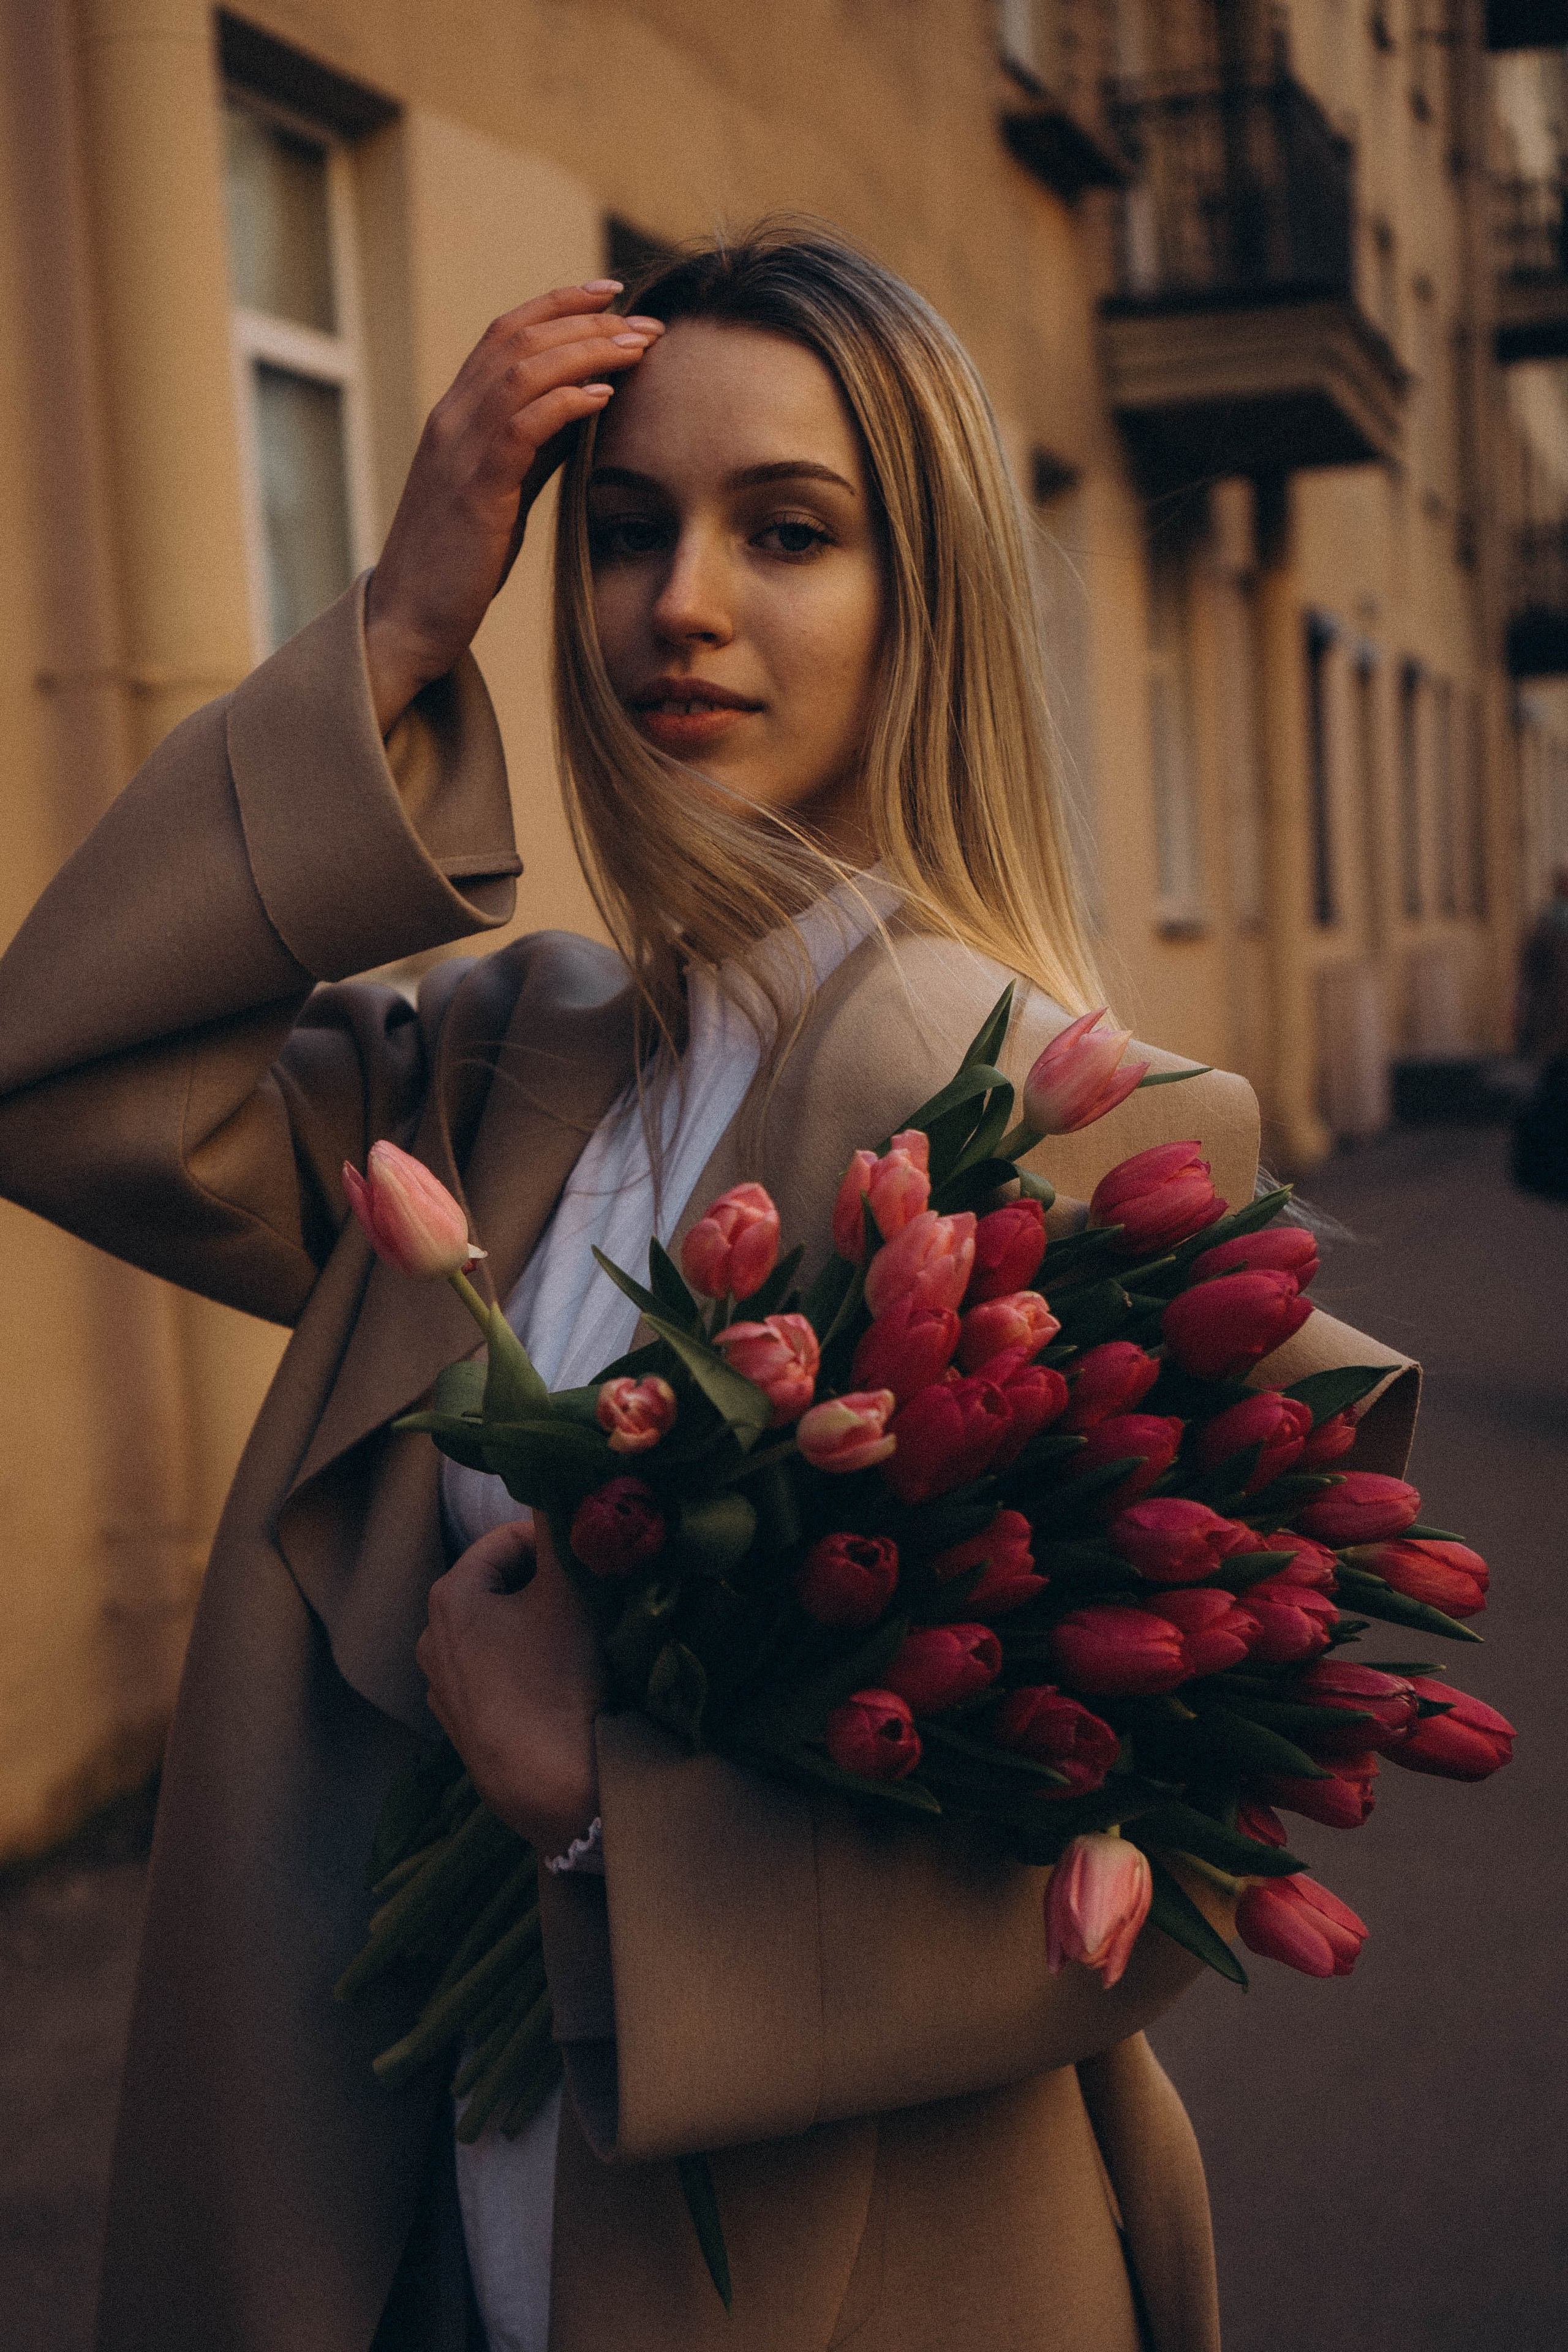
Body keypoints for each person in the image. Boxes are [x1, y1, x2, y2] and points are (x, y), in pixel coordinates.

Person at [0, 225, 1416, 2352]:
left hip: (861, 2277)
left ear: (923, 593)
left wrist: (602, 1818)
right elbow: (67, 1086)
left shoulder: (1053, 1112)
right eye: (625, 530)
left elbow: (1160, 1842)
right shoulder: (503, 1069)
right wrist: (398, 628)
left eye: (789, 531)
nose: (680, 602)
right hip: (423, 2235)